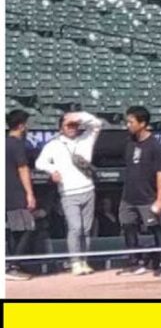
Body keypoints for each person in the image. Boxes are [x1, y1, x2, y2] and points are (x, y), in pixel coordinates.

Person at [35, 111, 103, 276]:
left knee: (86, 229)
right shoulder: (54, 144)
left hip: (88, 189)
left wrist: (78, 116)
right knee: (75, 228)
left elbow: (97, 124)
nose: (72, 128)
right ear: (60, 128)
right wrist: (52, 171)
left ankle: (84, 261)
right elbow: (39, 162)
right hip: (68, 192)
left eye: (74, 125)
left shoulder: (85, 139)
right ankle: (75, 262)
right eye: (68, 125)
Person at [117, 106, 161, 276]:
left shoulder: (155, 145)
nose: (128, 125)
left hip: (148, 197)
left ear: (143, 123)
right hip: (129, 197)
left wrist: (160, 199)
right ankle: (134, 262)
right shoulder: (129, 142)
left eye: (131, 122)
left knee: (156, 228)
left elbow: (160, 173)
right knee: (128, 226)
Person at [6, 110, 37, 280]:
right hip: (16, 193)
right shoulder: (16, 144)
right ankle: (12, 266)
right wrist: (30, 194)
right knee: (27, 228)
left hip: (7, 194)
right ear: (21, 125)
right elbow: (23, 169)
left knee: (14, 231)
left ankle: (11, 264)